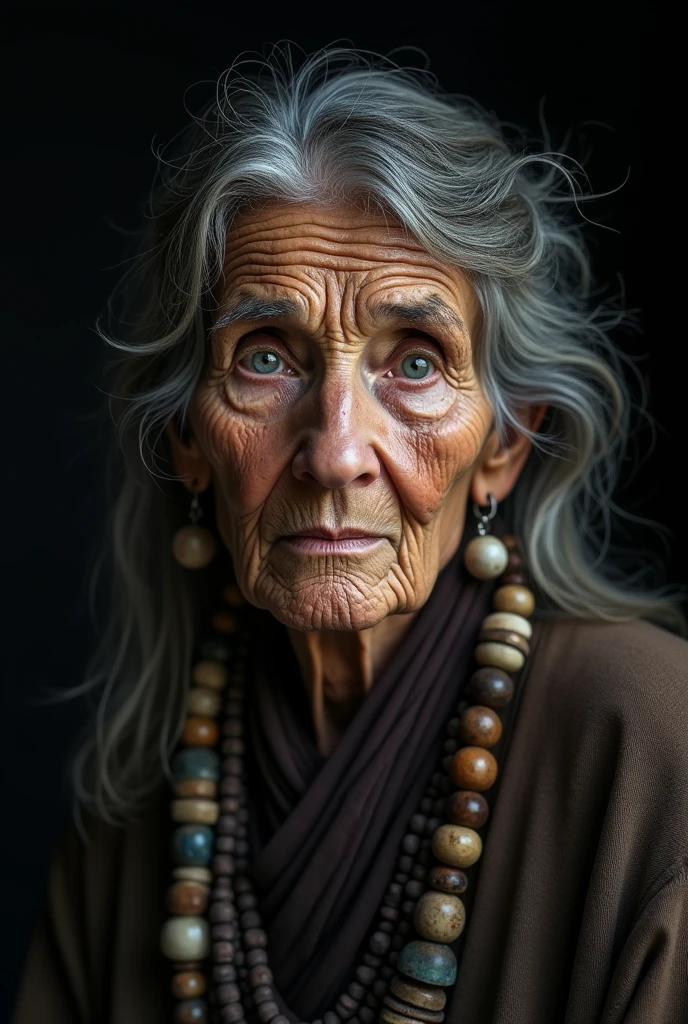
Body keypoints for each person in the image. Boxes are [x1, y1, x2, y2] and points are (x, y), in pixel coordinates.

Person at [11, 46, 688, 1024]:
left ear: (503, 441)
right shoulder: (138, 812)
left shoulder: (656, 750)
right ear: (188, 441)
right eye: (266, 357)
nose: (334, 453)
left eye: (414, 363)